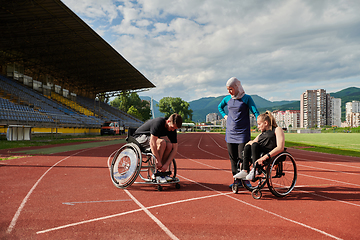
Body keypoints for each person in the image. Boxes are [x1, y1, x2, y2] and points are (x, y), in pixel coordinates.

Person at [218, 77, 259, 188]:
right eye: (228, 89)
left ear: (237, 87)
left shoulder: (246, 98)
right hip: (230, 132)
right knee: (233, 159)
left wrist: (260, 122)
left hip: (243, 133)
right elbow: (220, 107)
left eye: (231, 89)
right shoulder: (227, 99)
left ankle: (245, 180)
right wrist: (225, 116)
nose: (229, 91)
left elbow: (254, 110)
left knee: (243, 157)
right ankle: (236, 180)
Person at [233, 111, 285, 181]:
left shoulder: (277, 129)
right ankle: (245, 170)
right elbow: (252, 142)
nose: (258, 127)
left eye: (259, 124)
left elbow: (280, 147)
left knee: (254, 145)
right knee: (249, 145)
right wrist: (248, 144)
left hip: (270, 153)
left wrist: (265, 157)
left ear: (266, 123)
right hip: (261, 152)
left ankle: (256, 169)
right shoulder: (261, 134)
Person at [133, 113, 182, 183]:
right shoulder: (158, 123)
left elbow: (175, 148)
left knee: (169, 146)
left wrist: (166, 165)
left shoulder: (172, 130)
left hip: (150, 138)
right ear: (168, 122)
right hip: (139, 137)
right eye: (172, 127)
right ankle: (156, 172)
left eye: (175, 129)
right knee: (162, 142)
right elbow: (152, 143)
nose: (172, 130)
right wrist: (158, 160)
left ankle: (162, 172)